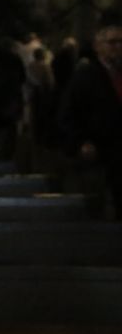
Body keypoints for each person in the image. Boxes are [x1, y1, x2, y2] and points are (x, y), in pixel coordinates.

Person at [57, 14, 122, 219]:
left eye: (121, 42)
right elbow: (68, 113)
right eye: (112, 42)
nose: (118, 47)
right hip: (100, 152)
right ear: (98, 46)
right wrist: (80, 141)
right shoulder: (86, 75)